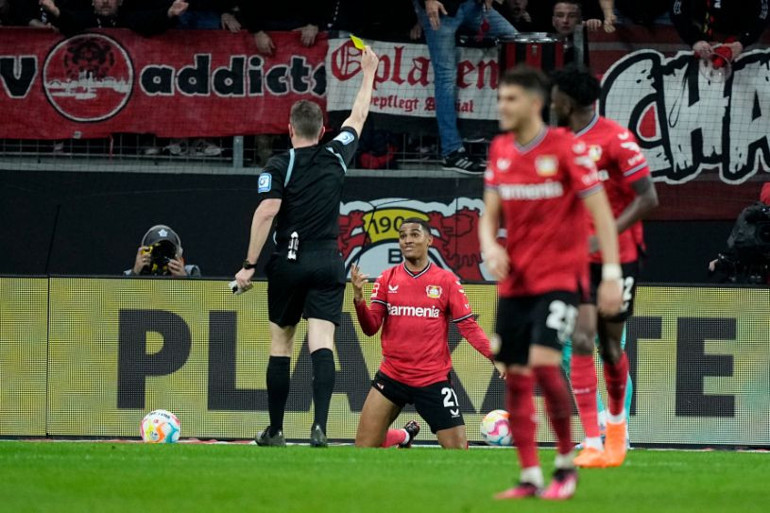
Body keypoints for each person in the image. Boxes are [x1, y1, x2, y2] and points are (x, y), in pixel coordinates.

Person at [479, 65, 622, 500]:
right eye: (500, 98)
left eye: (511, 99)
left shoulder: (566, 147)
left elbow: (601, 213)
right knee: (516, 377)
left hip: (560, 278)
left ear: (535, 104)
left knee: (544, 365)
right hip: (515, 284)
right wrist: (490, 247)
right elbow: (489, 214)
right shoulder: (500, 149)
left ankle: (564, 466)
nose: (502, 106)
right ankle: (530, 476)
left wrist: (611, 274)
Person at [233, 47, 380, 448]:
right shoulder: (337, 153)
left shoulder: (279, 165)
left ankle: (276, 430)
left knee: (281, 343)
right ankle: (320, 427)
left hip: (289, 261)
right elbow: (358, 117)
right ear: (323, 129)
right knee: (322, 343)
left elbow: (267, 211)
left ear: (290, 129)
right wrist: (368, 73)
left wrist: (248, 264)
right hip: (327, 260)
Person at [550, 65, 659, 468]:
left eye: (555, 97)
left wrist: (605, 235)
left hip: (618, 257)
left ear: (568, 101)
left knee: (610, 347)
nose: (550, 104)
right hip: (576, 260)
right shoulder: (557, 143)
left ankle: (617, 428)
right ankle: (592, 440)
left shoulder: (616, 139)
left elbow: (648, 198)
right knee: (579, 340)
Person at [351, 218, 500, 449]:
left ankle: (405, 436)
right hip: (392, 376)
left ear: (429, 240)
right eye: (402, 236)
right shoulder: (386, 279)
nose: (407, 240)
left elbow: (468, 326)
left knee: (458, 451)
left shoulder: (446, 281)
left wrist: (494, 356)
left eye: (414, 234)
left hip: (432, 379)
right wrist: (359, 300)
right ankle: (403, 436)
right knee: (363, 448)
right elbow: (370, 328)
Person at [412, 0, 518, 174]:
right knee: (446, 77)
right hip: (442, 9)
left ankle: (519, 140)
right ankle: (451, 152)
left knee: (516, 41)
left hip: (471, 5)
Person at [672, 0, 769, 63]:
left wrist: (744, 41)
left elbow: (765, 10)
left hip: (745, 35)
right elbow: (677, 8)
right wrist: (694, 40)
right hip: (700, 30)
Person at [39, 0, 188, 36]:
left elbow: (148, 22)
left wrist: (169, 13)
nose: (105, 2)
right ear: (92, 2)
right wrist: (55, 11)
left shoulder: (128, 19)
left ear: (120, 2)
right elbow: (72, 22)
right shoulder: (86, 18)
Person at [124, 225, 201, 277]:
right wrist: (135, 274)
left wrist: (184, 279)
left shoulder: (191, 272)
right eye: (157, 250)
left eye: (167, 250)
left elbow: (201, 296)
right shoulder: (128, 276)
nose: (162, 254)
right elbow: (123, 297)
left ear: (178, 253)